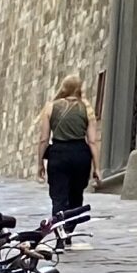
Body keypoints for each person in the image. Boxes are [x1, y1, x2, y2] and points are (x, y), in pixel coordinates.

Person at [35, 73, 100, 231]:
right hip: (80, 154)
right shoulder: (87, 109)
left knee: (58, 196)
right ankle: (69, 229)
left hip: (58, 153)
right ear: (79, 89)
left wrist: (40, 164)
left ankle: (60, 233)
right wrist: (97, 167)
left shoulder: (51, 107)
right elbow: (92, 141)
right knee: (76, 195)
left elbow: (44, 139)